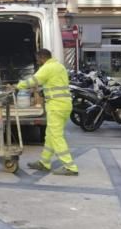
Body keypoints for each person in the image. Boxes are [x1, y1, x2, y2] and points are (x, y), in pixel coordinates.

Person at [14, 48, 78, 176]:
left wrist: (17, 85)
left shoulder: (47, 68)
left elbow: (33, 81)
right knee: (50, 135)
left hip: (56, 106)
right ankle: (44, 162)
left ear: (42, 58)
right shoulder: (59, 66)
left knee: (56, 136)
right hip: (64, 104)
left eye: (38, 59)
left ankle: (70, 166)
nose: (37, 62)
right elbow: (52, 83)